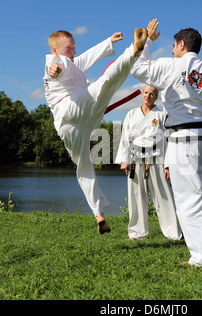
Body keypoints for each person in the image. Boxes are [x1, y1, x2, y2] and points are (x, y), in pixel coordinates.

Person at [131, 20, 202, 266]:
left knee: (190, 198)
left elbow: (138, 68)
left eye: (174, 45)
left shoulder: (171, 66)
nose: (172, 49)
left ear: (181, 44)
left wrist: (148, 41)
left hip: (184, 138)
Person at [43, 26, 149, 234]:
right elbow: (54, 67)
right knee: (106, 82)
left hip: (70, 128)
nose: (73, 51)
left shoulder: (74, 62)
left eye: (74, 47)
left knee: (84, 166)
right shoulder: (56, 61)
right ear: (55, 50)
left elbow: (89, 55)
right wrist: (53, 70)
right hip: (72, 108)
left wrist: (108, 42)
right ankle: (133, 51)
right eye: (68, 48)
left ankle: (98, 214)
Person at [115, 84, 183, 241]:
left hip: (157, 159)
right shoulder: (131, 114)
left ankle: (172, 233)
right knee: (136, 197)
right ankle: (136, 233)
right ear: (142, 94)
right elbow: (125, 138)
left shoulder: (161, 115)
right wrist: (124, 160)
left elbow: (168, 141)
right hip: (135, 159)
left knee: (164, 196)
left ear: (156, 97)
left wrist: (168, 165)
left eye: (152, 94)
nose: (148, 96)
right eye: (146, 92)